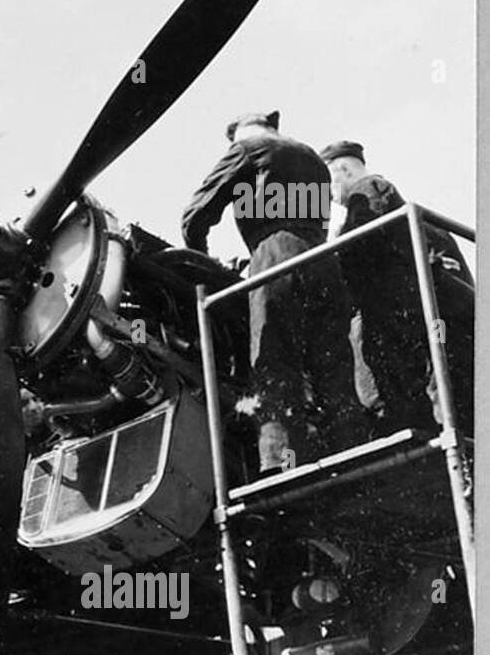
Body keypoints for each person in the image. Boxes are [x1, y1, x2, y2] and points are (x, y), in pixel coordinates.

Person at [182, 111, 365, 474]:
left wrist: (199, 259)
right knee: (333, 364)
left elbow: (195, 215)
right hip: (323, 260)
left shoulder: (248, 148)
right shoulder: (311, 156)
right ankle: (355, 449)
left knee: (274, 360)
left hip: (275, 255)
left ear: (238, 135)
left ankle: (282, 461)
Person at [320, 140, 474, 434]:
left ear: (342, 170)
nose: (330, 197)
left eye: (329, 185)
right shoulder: (417, 222)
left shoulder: (368, 188)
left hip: (413, 316)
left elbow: (359, 246)